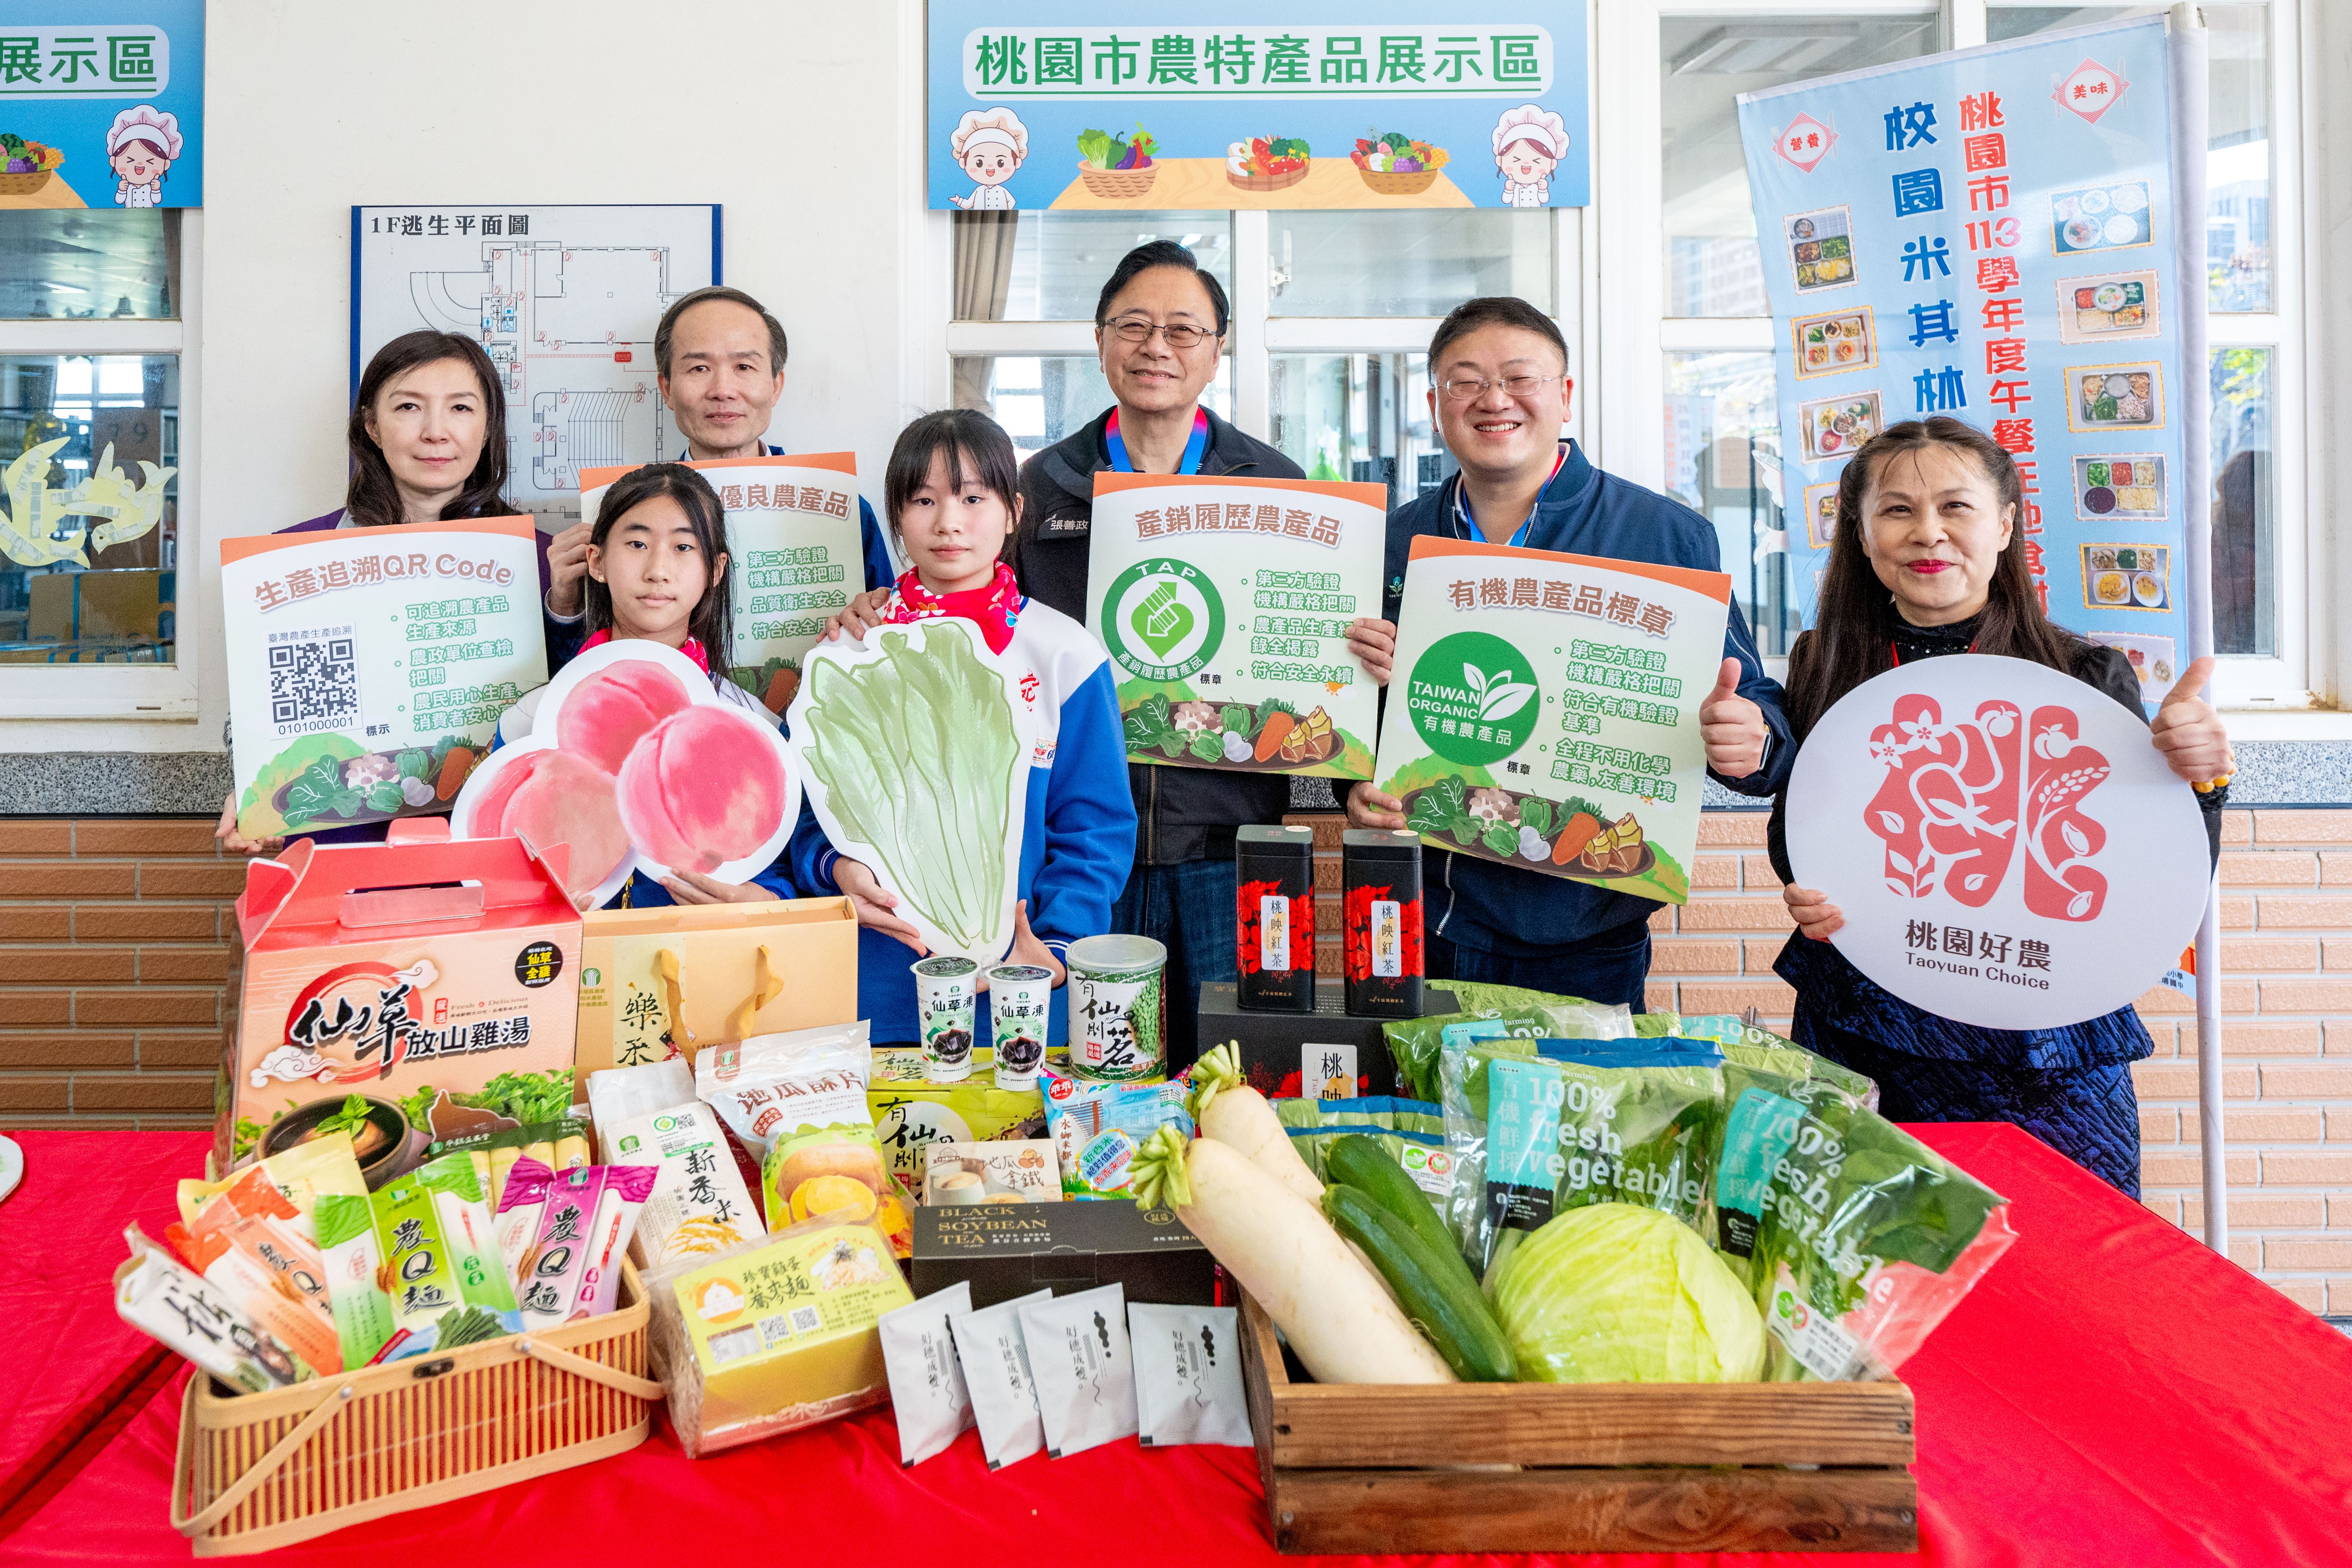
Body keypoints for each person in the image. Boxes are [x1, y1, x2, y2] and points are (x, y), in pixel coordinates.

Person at [835, 241, 1386, 1064]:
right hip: (1078, 852)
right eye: (1133, 326)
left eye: (1182, 329)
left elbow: (1316, 679)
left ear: (1217, 350)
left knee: (1228, 1061)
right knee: (1096, 1064)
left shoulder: (1280, 488)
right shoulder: (1039, 486)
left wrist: (1357, 677)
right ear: (1099, 342)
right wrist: (888, 607)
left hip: (1229, 844)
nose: (1155, 346)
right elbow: (978, 616)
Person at [1771, 417, 2232, 1196]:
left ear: (2005, 524)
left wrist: (2201, 780)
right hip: (1865, 1021)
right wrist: (1806, 891)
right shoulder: (1823, 662)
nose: (1927, 532)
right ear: (1860, 531)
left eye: (1955, 506)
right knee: (1870, 1248)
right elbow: (1798, 835)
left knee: (2062, 1249)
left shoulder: (2080, 674)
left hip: (2044, 1041)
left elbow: (2156, 876)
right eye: (1896, 510)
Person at [1347, 296, 1792, 1009]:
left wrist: (1751, 737)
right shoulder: (1391, 543)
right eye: (1466, 381)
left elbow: (1759, 712)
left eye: (1518, 377)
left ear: (1565, 396)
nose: (1494, 399)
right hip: (1433, 920)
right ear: (1435, 406)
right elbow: (1351, 722)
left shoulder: (1662, 537)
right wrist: (1353, 788)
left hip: (1590, 937)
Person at [791, 409, 1136, 1051]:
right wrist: (833, 866)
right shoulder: (848, 652)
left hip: (1020, 990)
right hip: (875, 988)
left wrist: (1057, 946)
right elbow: (810, 813)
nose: (948, 521)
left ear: (1013, 512)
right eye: (923, 500)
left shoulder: (1063, 652)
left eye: (973, 498)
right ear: (897, 517)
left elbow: (1095, 826)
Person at [215, 330, 544, 855]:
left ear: (487, 429)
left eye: (460, 408)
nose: (435, 433)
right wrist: (253, 784)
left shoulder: (544, 562)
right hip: (342, 849)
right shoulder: (290, 560)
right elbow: (257, 713)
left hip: (500, 843)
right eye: (409, 407)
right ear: (372, 425)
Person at [541, 285, 896, 665]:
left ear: (775, 385)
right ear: (667, 388)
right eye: (699, 368)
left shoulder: (843, 511)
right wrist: (565, 607)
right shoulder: (622, 514)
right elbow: (576, 682)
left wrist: (877, 615)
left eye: (744, 367)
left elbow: (892, 651)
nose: (723, 390)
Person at [500, 463, 794, 908]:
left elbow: (786, 867)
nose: (658, 570)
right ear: (597, 561)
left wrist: (764, 901)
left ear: (716, 570)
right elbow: (491, 859)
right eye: (637, 544)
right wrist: (533, 905)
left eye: (683, 547)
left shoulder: (753, 723)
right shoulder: (532, 720)